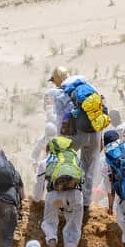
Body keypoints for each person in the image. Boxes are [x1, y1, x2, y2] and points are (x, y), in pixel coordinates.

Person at [49, 67, 105, 214]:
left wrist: (59, 141)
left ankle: (65, 201)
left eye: (54, 81)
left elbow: (61, 119)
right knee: (89, 169)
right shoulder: (90, 86)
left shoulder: (60, 92)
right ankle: (85, 204)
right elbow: (100, 110)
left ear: (58, 79)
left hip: (74, 134)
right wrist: (100, 138)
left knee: (64, 163)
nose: (54, 84)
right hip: (94, 132)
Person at [42, 135, 86, 247]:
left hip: (54, 195)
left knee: (49, 220)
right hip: (75, 196)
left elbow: (41, 183)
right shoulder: (74, 159)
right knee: (73, 227)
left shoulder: (50, 159)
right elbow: (83, 179)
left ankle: (51, 239)